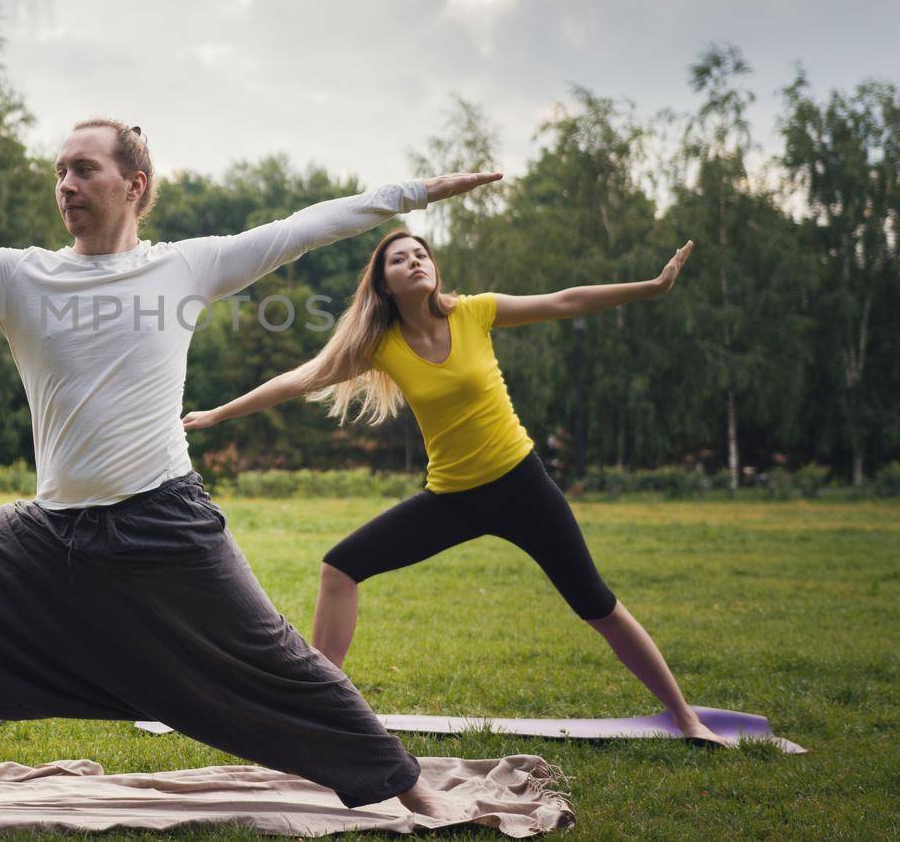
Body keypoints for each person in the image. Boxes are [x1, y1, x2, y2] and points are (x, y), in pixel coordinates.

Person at [0, 119, 500, 815]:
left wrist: (416, 193)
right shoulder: (17, 276)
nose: (65, 183)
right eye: (59, 172)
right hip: (53, 531)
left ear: (134, 184)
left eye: (84, 168)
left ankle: (405, 784)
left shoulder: (188, 265)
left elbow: (313, 224)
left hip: (165, 522)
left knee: (277, 660)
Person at [183, 228, 727, 745]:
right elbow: (298, 379)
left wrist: (652, 286)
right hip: (452, 498)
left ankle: (685, 717)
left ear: (434, 269)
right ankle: (324, 715)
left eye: (421, 254)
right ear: (384, 284)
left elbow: (564, 300)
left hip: (523, 486)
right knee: (339, 567)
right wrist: (218, 415)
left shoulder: (475, 312)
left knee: (597, 605)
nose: (414, 261)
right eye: (399, 259)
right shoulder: (380, 346)